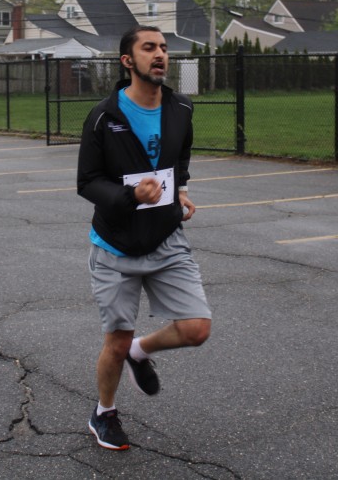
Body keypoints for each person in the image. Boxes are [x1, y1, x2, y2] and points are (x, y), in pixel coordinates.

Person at [77, 24, 212, 451]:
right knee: (115, 342)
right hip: (115, 244)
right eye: (149, 48)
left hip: (166, 237)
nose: (160, 55)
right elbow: (87, 182)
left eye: (164, 48)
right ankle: (104, 413)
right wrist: (130, 196)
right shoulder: (104, 116)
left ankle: (142, 350)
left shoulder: (181, 108)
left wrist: (181, 188)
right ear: (127, 60)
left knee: (196, 329)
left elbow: (180, 154)